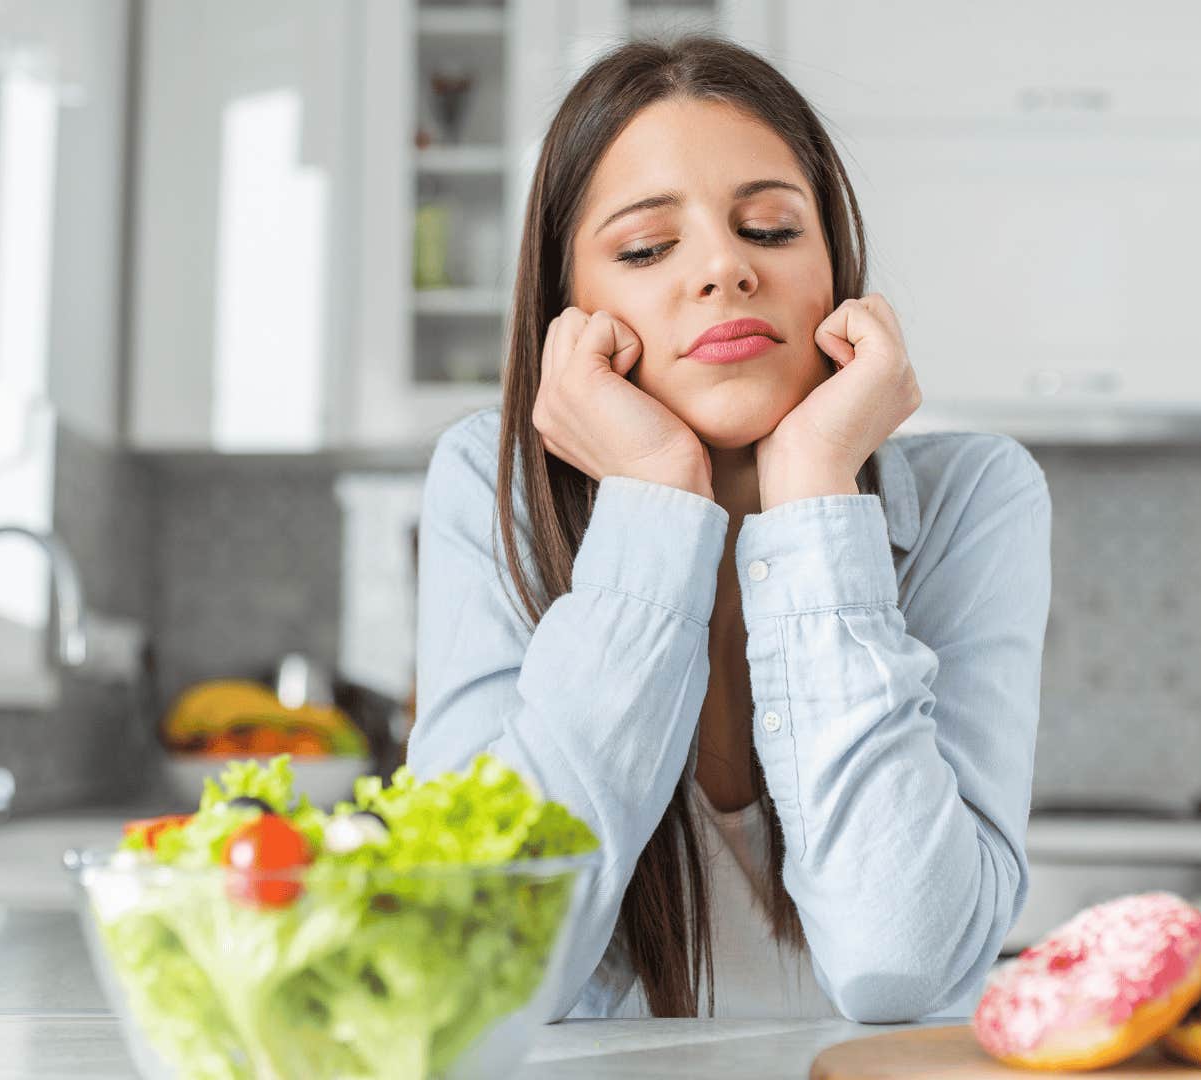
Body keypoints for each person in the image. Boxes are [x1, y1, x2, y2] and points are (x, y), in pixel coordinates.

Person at [408, 34, 1051, 1023]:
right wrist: (658, 502)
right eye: (645, 249)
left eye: (770, 228)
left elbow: (905, 962)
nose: (724, 268)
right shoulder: (484, 487)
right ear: (570, 313)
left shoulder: (982, 496)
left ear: (836, 272)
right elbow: (473, 966)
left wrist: (815, 493)